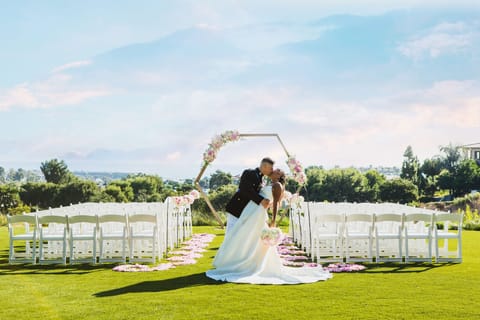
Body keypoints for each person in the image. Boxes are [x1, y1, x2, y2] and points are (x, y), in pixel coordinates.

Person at [206, 169, 332, 285]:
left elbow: (276, 204)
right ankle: (242, 262)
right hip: (253, 212)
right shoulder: (271, 183)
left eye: (277, 172)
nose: (274, 171)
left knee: (249, 237)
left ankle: (249, 264)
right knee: (246, 237)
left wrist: (273, 220)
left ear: (281, 176)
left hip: (258, 214)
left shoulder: (277, 185)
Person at [224, 157, 274, 235]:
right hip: (237, 207)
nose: (272, 170)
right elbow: (245, 188)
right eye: (271, 168)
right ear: (264, 166)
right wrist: (261, 200)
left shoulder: (261, 178)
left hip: (246, 210)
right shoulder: (249, 172)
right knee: (231, 232)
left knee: (239, 234)